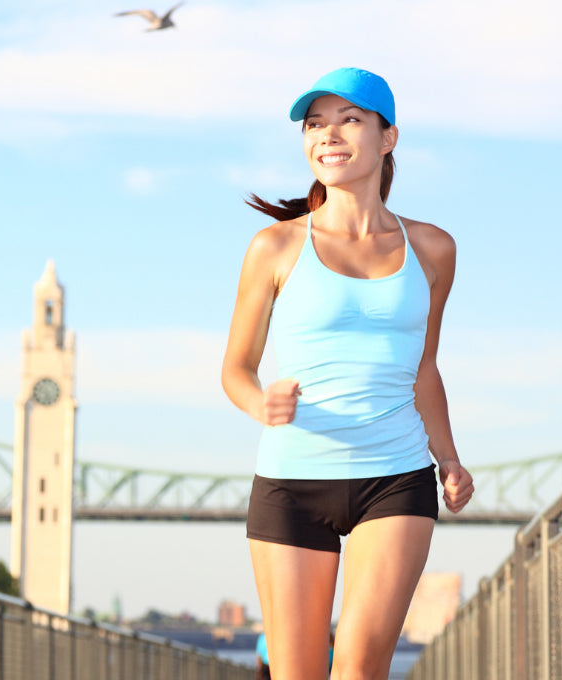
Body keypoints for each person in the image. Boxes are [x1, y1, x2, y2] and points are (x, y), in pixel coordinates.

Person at [221, 67, 474, 679]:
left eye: (348, 120)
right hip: (292, 481)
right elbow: (236, 369)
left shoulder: (433, 249)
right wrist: (262, 405)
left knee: (360, 672)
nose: (327, 135)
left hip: (396, 476)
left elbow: (425, 369)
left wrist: (449, 459)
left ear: (387, 138)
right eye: (315, 124)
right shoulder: (275, 247)